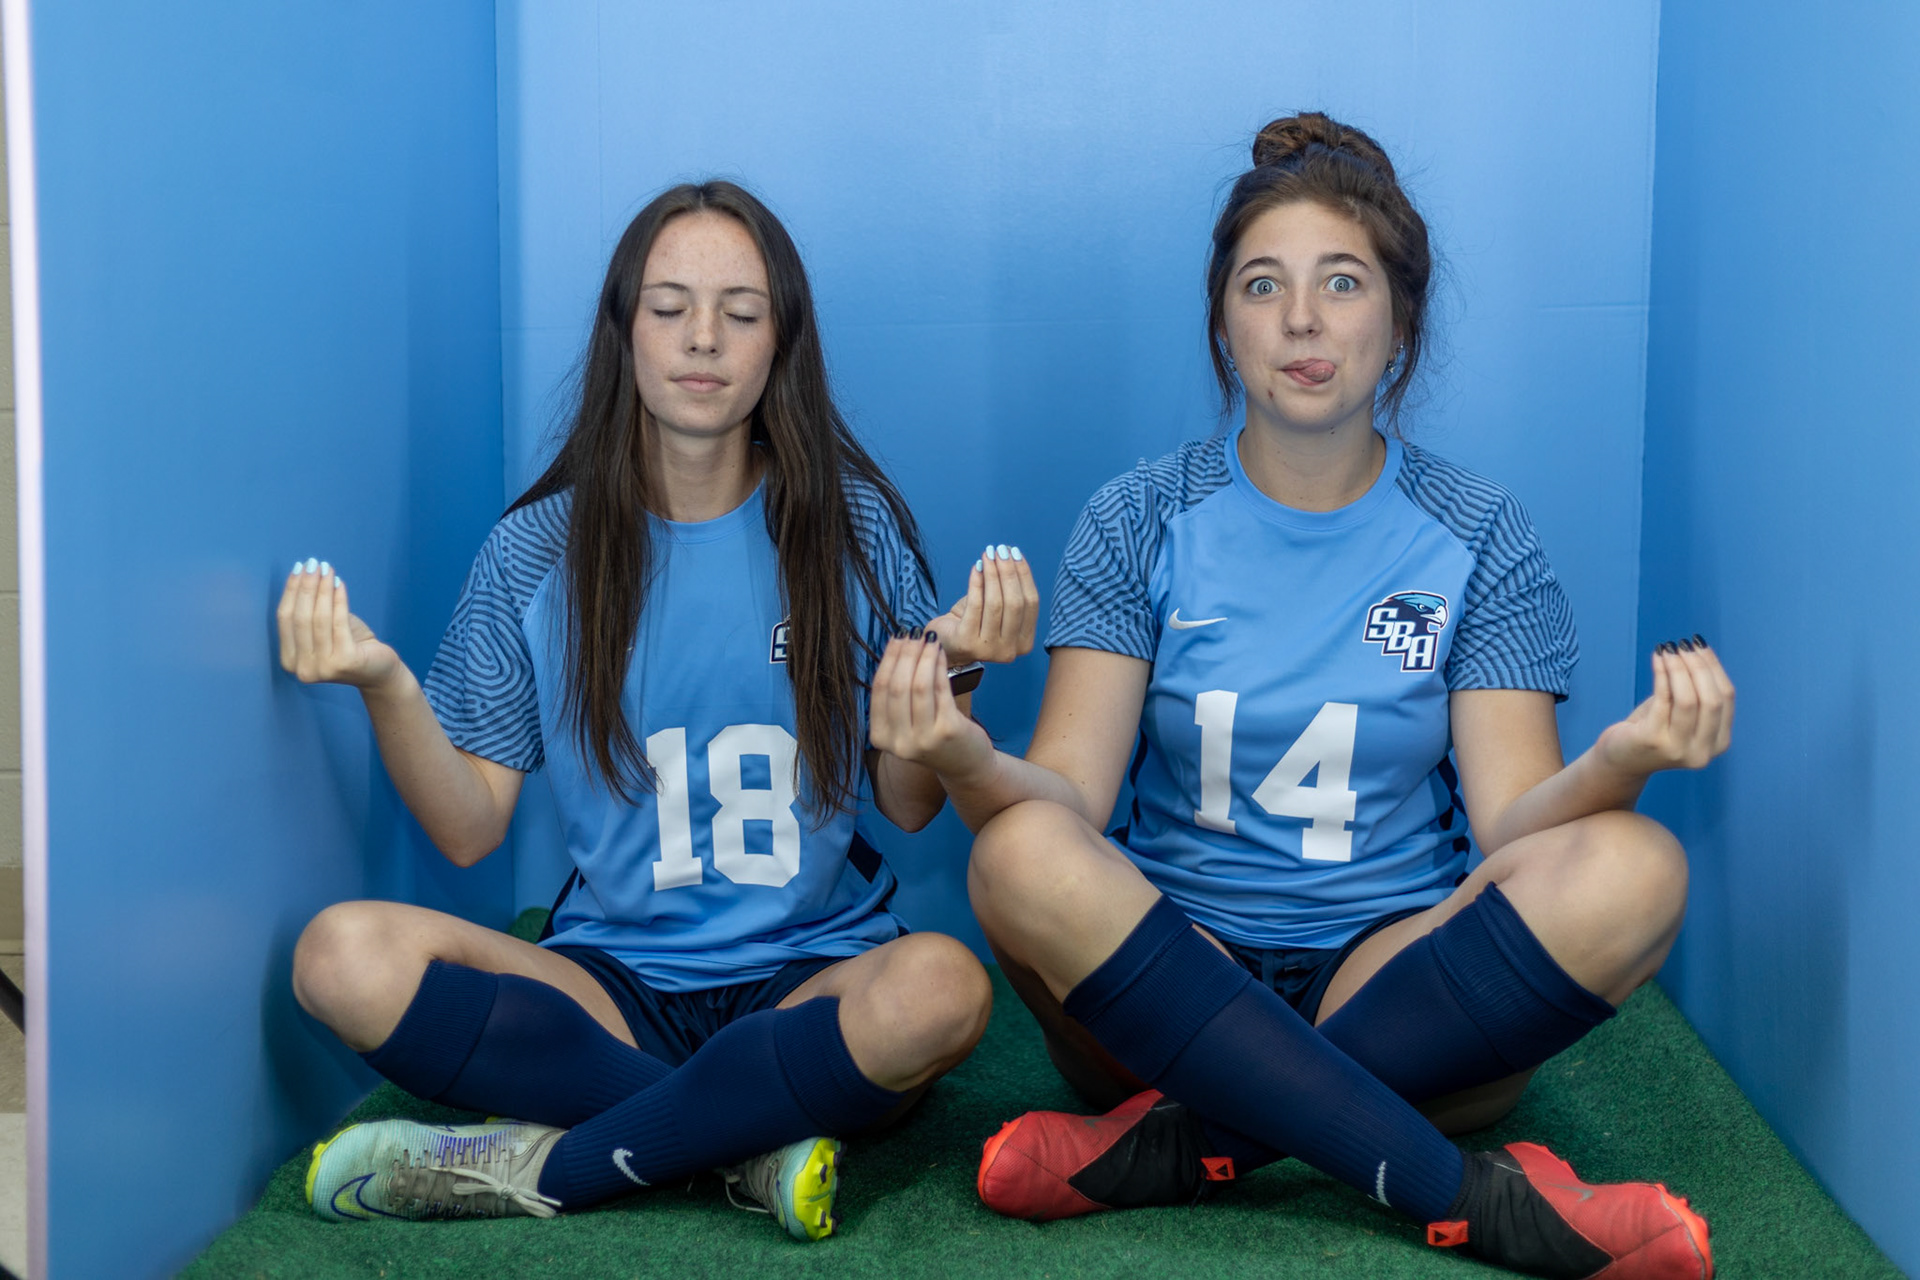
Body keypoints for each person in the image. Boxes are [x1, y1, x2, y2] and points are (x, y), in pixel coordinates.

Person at [870, 114, 1730, 1278]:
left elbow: (1516, 826)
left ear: (1400, 321)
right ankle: (1464, 1196)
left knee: (1639, 864)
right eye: (1264, 285)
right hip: (1172, 974)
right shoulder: (1140, 515)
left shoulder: (1479, 532)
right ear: (1224, 323)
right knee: (1015, 851)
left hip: (1401, 969)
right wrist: (962, 752)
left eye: (1342, 282)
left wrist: (1625, 754)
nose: (1304, 320)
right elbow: (1066, 799)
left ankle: (1196, 1140)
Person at [277, 180, 1038, 1239]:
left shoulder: (847, 527)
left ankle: (556, 1160)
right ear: (624, 330)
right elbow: (466, 824)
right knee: (338, 955)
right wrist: (384, 683)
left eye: (741, 309)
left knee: (945, 988)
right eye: (670, 306)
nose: (704, 339)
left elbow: (909, 804)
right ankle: (738, 1142)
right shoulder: (538, 546)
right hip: (610, 982)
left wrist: (952, 674)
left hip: (807, 975)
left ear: (782, 339)